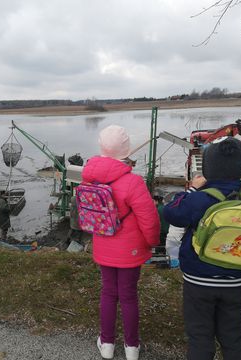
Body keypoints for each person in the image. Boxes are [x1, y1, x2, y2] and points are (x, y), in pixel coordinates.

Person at [163, 138, 241, 360]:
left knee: (200, 336)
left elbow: (171, 212)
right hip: (236, 280)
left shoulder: (200, 199)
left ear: (207, 169)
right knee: (234, 336)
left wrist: (191, 190)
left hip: (198, 280)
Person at [81, 125, 160, 360]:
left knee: (108, 292)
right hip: (129, 249)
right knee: (128, 295)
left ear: (102, 147)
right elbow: (149, 219)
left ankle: (106, 344)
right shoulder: (133, 182)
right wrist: (152, 242)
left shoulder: (89, 176)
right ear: (126, 149)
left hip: (103, 245)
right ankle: (131, 348)